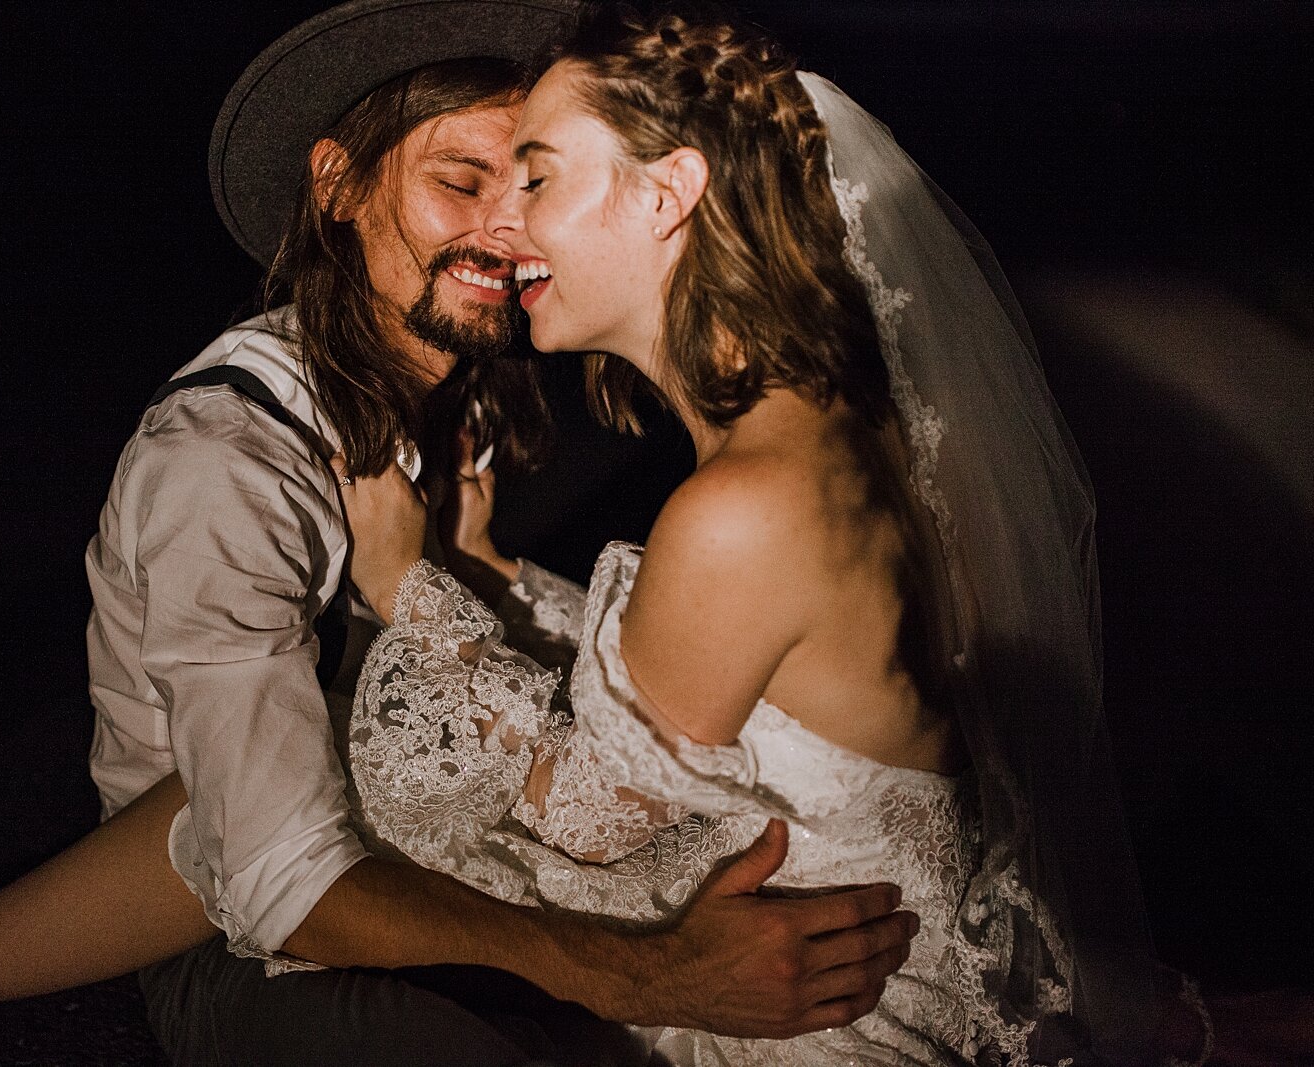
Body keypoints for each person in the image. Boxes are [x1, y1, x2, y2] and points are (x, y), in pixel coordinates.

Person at [0, 3, 919, 1066]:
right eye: (461, 181)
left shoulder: (464, 382)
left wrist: (478, 575)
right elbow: (276, 876)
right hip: (240, 919)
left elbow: (587, 694)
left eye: (531, 187)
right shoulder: (227, 458)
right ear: (338, 185)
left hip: (458, 836)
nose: (507, 233)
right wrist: (640, 969)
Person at [330, 4, 1313, 1065]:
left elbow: (594, 823)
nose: (506, 225)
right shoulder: (841, 434)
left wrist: (409, 587)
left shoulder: (745, 507)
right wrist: (491, 573)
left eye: (537, 176)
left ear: (669, 194)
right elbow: (719, 703)